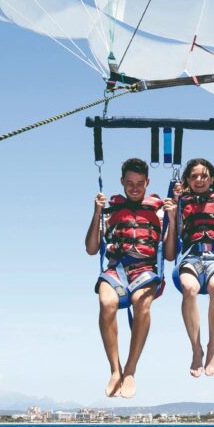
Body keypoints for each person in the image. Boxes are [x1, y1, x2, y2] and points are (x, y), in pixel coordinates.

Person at [85, 158, 175, 398]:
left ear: (147, 183)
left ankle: (130, 370)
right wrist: (97, 212)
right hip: (116, 270)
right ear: (122, 182)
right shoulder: (110, 210)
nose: (134, 188)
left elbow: (169, 254)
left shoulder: (159, 211)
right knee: (106, 303)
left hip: (145, 271)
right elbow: (92, 249)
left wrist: (173, 217)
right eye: (129, 183)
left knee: (141, 303)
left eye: (139, 183)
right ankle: (115, 370)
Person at [165, 158, 214, 378]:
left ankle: (213, 348)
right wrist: (174, 207)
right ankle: (196, 349)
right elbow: (174, 239)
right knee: (189, 288)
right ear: (188, 180)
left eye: (204, 176)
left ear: (211, 179)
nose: (199, 180)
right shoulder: (182, 203)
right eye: (194, 176)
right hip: (192, 257)